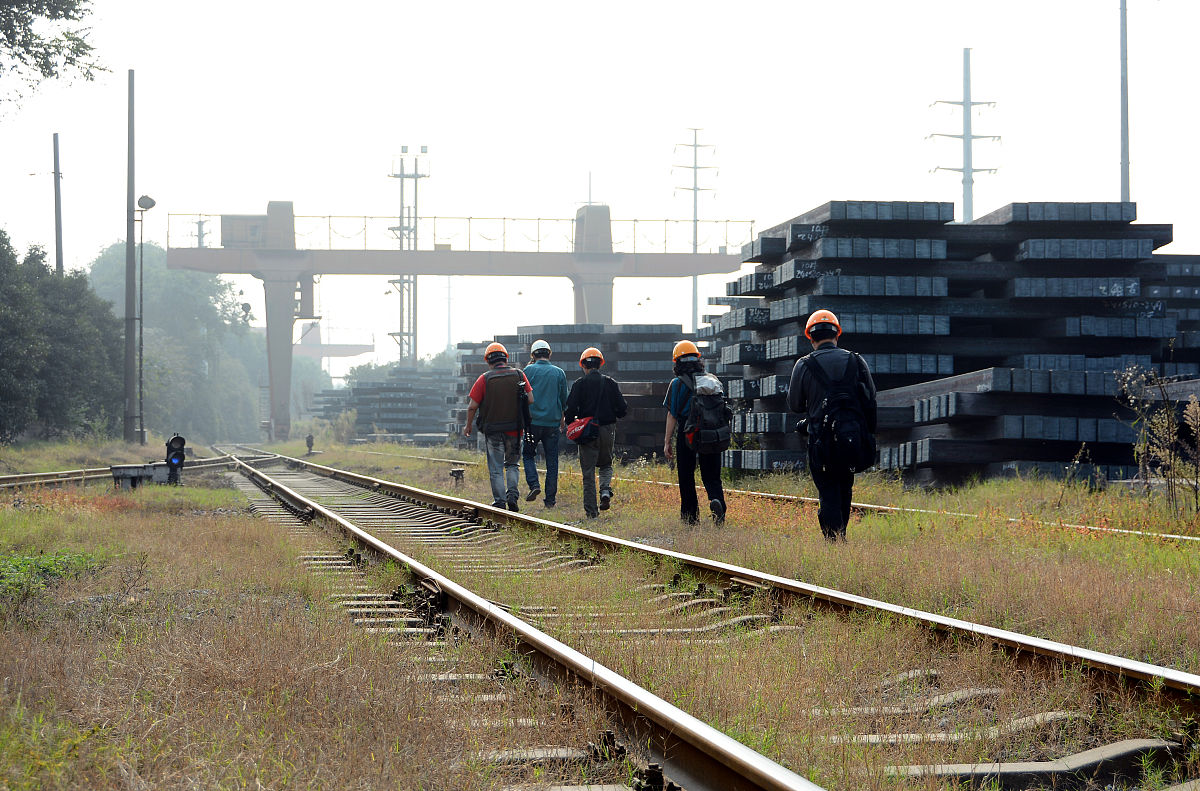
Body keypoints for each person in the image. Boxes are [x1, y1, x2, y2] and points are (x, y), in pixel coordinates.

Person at [787, 310, 878, 541]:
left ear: (810, 337)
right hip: (851, 438)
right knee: (845, 487)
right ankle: (841, 535)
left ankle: (834, 540)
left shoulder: (803, 365)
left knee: (828, 490)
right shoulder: (856, 360)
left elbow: (795, 404)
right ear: (837, 334)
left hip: (821, 441)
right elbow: (871, 397)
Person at [463, 342, 533, 512]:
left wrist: (468, 426)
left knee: (496, 468)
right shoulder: (519, 374)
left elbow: (472, 407)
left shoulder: (484, 379)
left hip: (493, 431)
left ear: (488, 361)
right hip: (515, 429)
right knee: (512, 464)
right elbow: (530, 399)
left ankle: (500, 502)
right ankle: (512, 495)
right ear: (505, 358)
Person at [663, 340, 727, 525]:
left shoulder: (676, 384)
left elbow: (672, 415)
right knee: (712, 475)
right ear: (698, 360)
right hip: (711, 431)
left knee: (686, 475)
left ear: (677, 362)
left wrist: (667, 442)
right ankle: (717, 502)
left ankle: (690, 517)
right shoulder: (712, 380)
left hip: (688, 431)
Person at [564, 346, 627, 519]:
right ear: (600, 364)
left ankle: (592, 512)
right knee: (606, 464)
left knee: (588, 471)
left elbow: (570, 411)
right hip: (607, 429)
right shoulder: (610, 383)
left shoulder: (579, 384)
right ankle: (605, 490)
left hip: (586, 431)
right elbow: (622, 409)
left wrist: (573, 424)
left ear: (583, 365)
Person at [520, 339, 568, 508]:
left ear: (533, 355)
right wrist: (562, 419)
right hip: (552, 424)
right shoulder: (559, 373)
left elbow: (522, 396)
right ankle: (550, 501)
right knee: (552, 461)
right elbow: (564, 399)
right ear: (549, 354)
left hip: (532, 424)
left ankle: (534, 485)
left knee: (528, 454)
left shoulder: (528, 371)